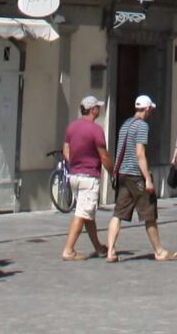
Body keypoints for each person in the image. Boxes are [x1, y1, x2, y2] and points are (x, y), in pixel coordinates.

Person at [104, 95, 177, 263]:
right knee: (149, 214)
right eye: (151, 110)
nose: (151, 112)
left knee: (118, 213)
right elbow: (140, 154)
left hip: (122, 174)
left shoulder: (126, 124)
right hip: (136, 175)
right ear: (147, 109)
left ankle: (110, 251)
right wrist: (148, 179)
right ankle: (159, 251)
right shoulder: (142, 126)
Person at [60, 94, 110, 262]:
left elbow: (66, 150)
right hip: (89, 177)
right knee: (82, 213)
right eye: (98, 107)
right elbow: (104, 156)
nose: (99, 109)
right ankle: (68, 250)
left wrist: (74, 163)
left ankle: (99, 247)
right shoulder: (96, 130)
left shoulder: (72, 127)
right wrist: (113, 173)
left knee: (87, 212)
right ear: (92, 109)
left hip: (74, 175)